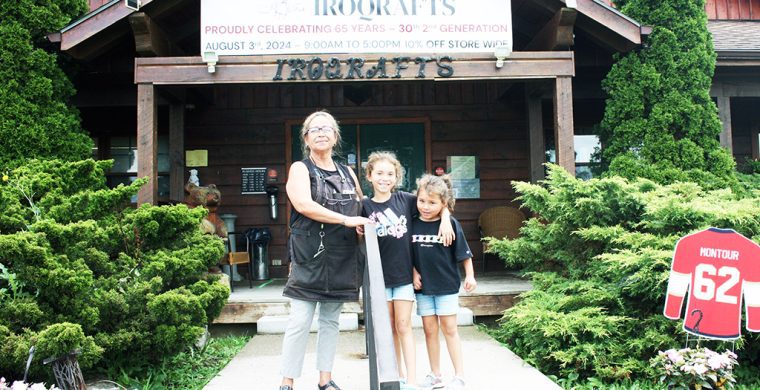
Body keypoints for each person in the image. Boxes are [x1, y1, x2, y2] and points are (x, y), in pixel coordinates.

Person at [279, 111, 370, 390]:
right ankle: (287, 382)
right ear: (306, 138)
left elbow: (361, 204)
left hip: (343, 255)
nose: (321, 133)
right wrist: (346, 219)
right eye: (314, 129)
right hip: (310, 256)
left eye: (327, 128)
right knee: (299, 321)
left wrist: (362, 223)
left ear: (335, 136)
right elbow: (304, 205)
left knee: (331, 321)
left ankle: (325, 379)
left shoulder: (348, 172)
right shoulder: (300, 168)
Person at [361, 152, 454, 390]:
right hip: (378, 278)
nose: (385, 178)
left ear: (397, 177)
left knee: (404, 326)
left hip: (403, 276)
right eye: (379, 173)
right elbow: (356, 234)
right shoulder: (364, 206)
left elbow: (433, 200)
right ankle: (397, 376)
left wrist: (445, 217)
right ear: (370, 176)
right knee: (389, 327)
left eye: (390, 174)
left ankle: (411, 380)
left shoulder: (405, 200)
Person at [411, 174, 477, 390]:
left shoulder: (451, 224)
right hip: (423, 287)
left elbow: (464, 253)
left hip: (446, 285)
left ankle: (459, 375)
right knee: (430, 330)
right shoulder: (412, 224)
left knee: (449, 329)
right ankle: (435, 374)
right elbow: (406, 254)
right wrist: (413, 272)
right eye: (422, 201)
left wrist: (470, 275)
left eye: (432, 203)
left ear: (443, 204)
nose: (426, 207)